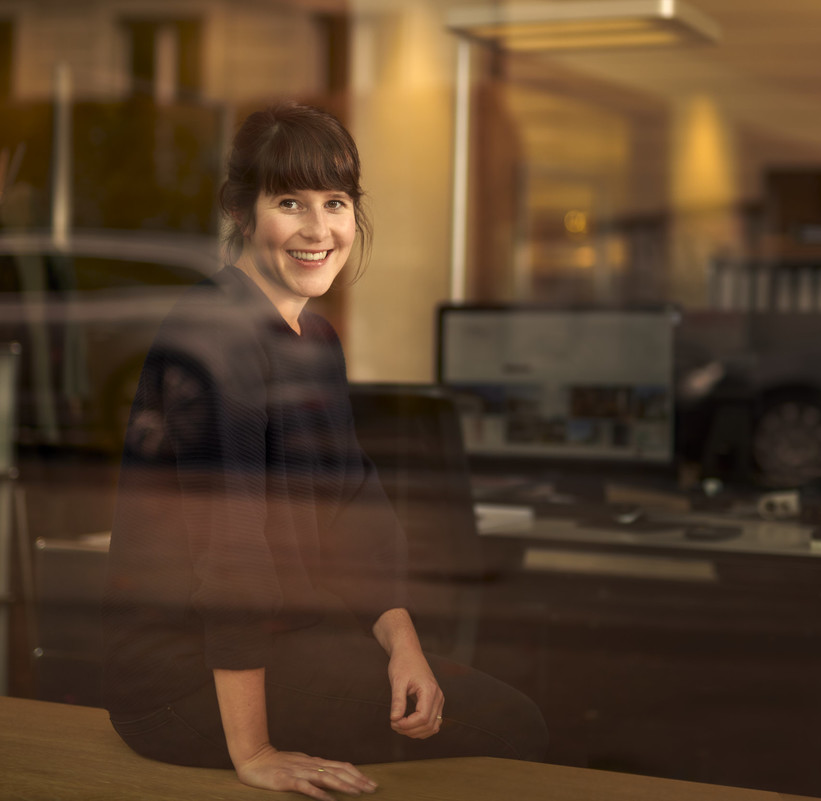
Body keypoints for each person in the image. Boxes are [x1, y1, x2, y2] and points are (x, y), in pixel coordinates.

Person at [101, 101, 546, 801]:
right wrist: (255, 751)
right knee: (507, 725)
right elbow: (232, 549)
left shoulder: (316, 338)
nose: (318, 230)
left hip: (277, 648)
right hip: (179, 683)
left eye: (335, 202)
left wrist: (404, 645)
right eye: (290, 202)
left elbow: (354, 507)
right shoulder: (216, 337)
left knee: (476, 711)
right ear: (243, 214)